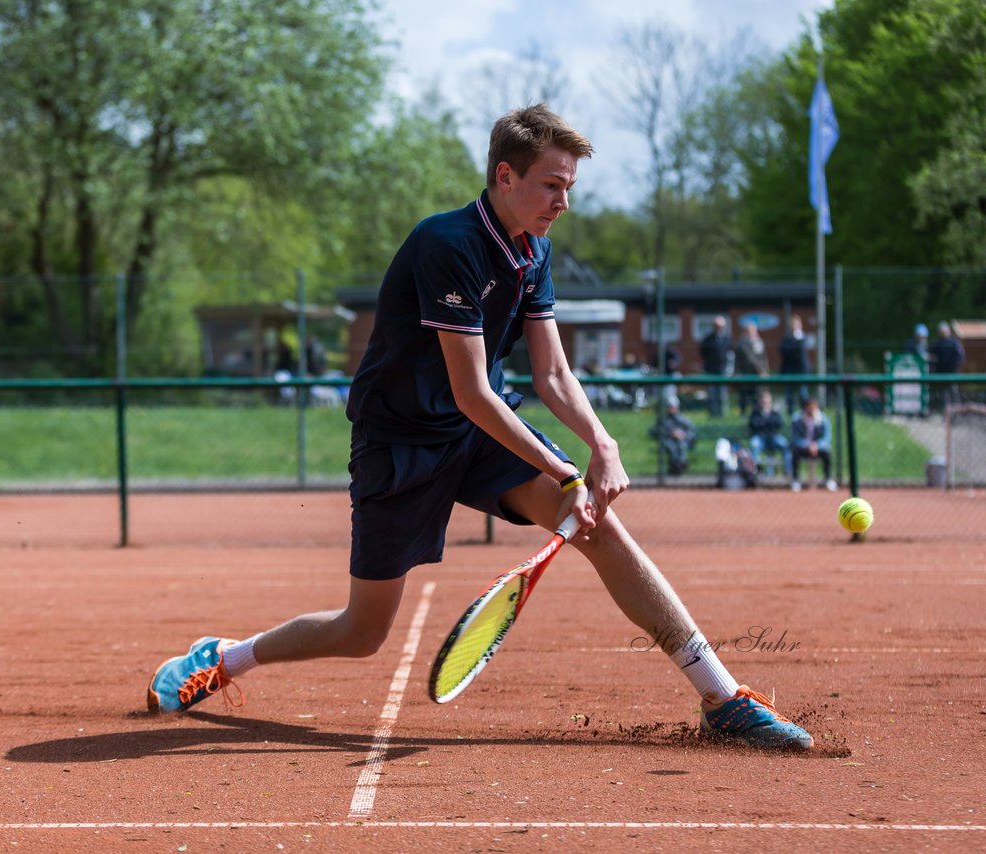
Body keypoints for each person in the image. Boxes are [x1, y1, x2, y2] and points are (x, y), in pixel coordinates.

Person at [145, 104, 812, 751]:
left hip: (474, 434)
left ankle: (722, 699)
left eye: (570, 187)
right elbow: (472, 391)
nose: (563, 202)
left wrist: (602, 445)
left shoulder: (533, 253)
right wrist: (564, 469)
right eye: (552, 185)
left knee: (598, 528)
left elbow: (551, 376)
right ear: (505, 176)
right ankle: (227, 658)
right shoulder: (447, 245)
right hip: (400, 440)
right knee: (362, 631)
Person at [790, 397, 836, 492]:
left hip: (818, 448)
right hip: (803, 447)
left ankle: (828, 480)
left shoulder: (823, 419)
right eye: (809, 407)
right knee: (794, 453)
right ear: (805, 408)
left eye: (813, 407)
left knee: (827, 453)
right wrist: (808, 445)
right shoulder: (796, 419)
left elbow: (827, 437)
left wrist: (817, 445)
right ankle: (796, 480)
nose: (811, 409)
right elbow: (795, 438)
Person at [649, 396, 698, 476]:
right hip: (668, 441)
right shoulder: (663, 419)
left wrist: (683, 434)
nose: (672, 409)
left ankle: (680, 465)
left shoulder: (682, 419)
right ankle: (675, 466)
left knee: (681, 445)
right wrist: (670, 434)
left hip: (682, 441)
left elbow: (692, 431)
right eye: (670, 407)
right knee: (672, 446)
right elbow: (654, 431)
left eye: (674, 407)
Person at [747, 389, 791, 477]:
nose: (765, 400)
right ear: (759, 400)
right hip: (760, 437)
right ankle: (755, 471)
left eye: (767, 398)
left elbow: (778, 423)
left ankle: (788, 471)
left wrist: (764, 420)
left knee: (786, 444)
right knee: (753, 444)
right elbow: (753, 424)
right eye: (763, 398)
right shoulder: (755, 412)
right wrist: (767, 420)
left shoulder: (775, 411)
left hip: (773, 436)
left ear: (770, 399)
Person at [734, 320, 770, 416]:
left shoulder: (760, 342)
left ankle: (757, 415)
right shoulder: (741, 344)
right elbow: (748, 358)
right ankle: (743, 415)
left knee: (757, 397)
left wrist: (765, 370)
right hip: (745, 375)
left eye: (753, 330)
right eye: (749, 331)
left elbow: (764, 358)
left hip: (758, 377)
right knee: (744, 398)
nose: (751, 333)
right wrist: (760, 370)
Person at [699, 315, 732, 416]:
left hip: (723, 370)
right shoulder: (708, 339)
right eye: (717, 325)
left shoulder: (727, 338)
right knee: (712, 393)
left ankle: (722, 414)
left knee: (722, 394)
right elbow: (703, 352)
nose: (719, 328)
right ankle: (713, 414)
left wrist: (729, 369)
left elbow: (730, 354)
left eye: (721, 326)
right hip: (711, 370)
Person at [929, 321, 965, 412]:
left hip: (952, 372)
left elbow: (960, 356)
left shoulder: (954, 343)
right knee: (943, 392)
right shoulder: (937, 343)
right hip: (941, 372)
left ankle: (957, 409)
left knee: (953, 391)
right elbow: (932, 357)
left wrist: (955, 365)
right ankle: (945, 410)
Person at [778, 313, 810, 416]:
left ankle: (804, 414)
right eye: (791, 324)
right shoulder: (786, 338)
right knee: (789, 395)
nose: (793, 326)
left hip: (802, 371)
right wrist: (793, 346)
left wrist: (793, 344)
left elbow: (799, 349)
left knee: (803, 394)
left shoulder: (803, 337)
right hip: (789, 370)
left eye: (795, 324)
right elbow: (782, 349)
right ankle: (790, 415)